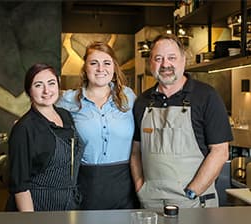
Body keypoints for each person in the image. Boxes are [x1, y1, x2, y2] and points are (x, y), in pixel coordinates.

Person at [130, 34, 233, 210]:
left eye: (171, 58)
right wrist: (141, 187)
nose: (165, 64)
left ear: (183, 61)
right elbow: (136, 152)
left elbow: (220, 152)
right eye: (158, 58)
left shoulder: (207, 96)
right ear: (150, 64)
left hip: (194, 203)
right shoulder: (142, 101)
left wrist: (193, 192)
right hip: (150, 204)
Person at [57, 41, 139, 209]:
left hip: (125, 185)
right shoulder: (69, 100)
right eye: (94, 63)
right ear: (85, 69)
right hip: (85, 183)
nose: (101, 69)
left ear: (114, 67)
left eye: (106, 63)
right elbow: (45, 119)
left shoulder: (129, 97)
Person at [6, 63, 83, 211]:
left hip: (69, 204)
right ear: (29, 90)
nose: (47, 90)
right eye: (38, 85)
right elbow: (20, 187)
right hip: (39, 206)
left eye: (51, 83)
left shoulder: (65, 115)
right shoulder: (23, 129)